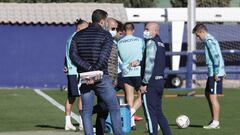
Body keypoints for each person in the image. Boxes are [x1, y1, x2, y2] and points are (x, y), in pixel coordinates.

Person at [70, 9, 123, 135]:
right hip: (100, 77)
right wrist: (94, 71)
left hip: (84, 77)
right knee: (114, 108)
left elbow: (73, 56)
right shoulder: (106, 36)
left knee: (86, 112)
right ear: (102, 21)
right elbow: (104, 58)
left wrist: (88, 69)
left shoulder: (78, 35)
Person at [139, 22, 172, 135]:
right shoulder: (160, 43)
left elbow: (150, 64)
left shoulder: (151, 43)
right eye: (145, 29)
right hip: (160, 82)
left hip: (151, 83)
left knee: (150, 115)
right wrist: (139, 62)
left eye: (147, 29)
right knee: (158, 113)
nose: (145, 31)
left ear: (156, 31)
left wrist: (144, 82)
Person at [192, 23, 225, 129]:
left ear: (202, 31)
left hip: (215, 74)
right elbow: (219, 55)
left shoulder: (209, 41)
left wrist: (216, 72)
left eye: (197, 35)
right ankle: (213, 119)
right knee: (207, 93)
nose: (198, 37)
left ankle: (215, 122)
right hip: (213, 72)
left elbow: (216, 57)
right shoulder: (209, 40)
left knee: (212, 97)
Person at [94, 17, 119, 135]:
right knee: (108, 106)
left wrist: (115, 79)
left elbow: (115, 63)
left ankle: (100, 131)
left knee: (104, 110)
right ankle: (88, 111)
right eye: (113, 28)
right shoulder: (102, 40)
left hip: (111, 80)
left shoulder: (114, 42)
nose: (115, 31)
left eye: (116, 28)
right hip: (104, 78)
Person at [117, 22, 145, 130]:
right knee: (141, 96)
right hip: (138, 72)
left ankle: (131, 122)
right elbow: (143, 54)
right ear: (133, 30)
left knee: (129, 97)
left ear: (124, 31)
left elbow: (119, 56)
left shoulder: (119, 42)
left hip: (126, 72)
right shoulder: (140, 41)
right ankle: (131, 114)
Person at [64, 19, 88, 131]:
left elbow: (67, 55)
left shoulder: (71, 38)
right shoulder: (75, 38)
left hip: (73, 71)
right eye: (86, 28)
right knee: (79, 97)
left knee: (72, 97)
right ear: (79, 28)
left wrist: (65, 65)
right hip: (76, 72)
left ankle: (70, 123)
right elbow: (75, 55)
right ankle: (81, 123)